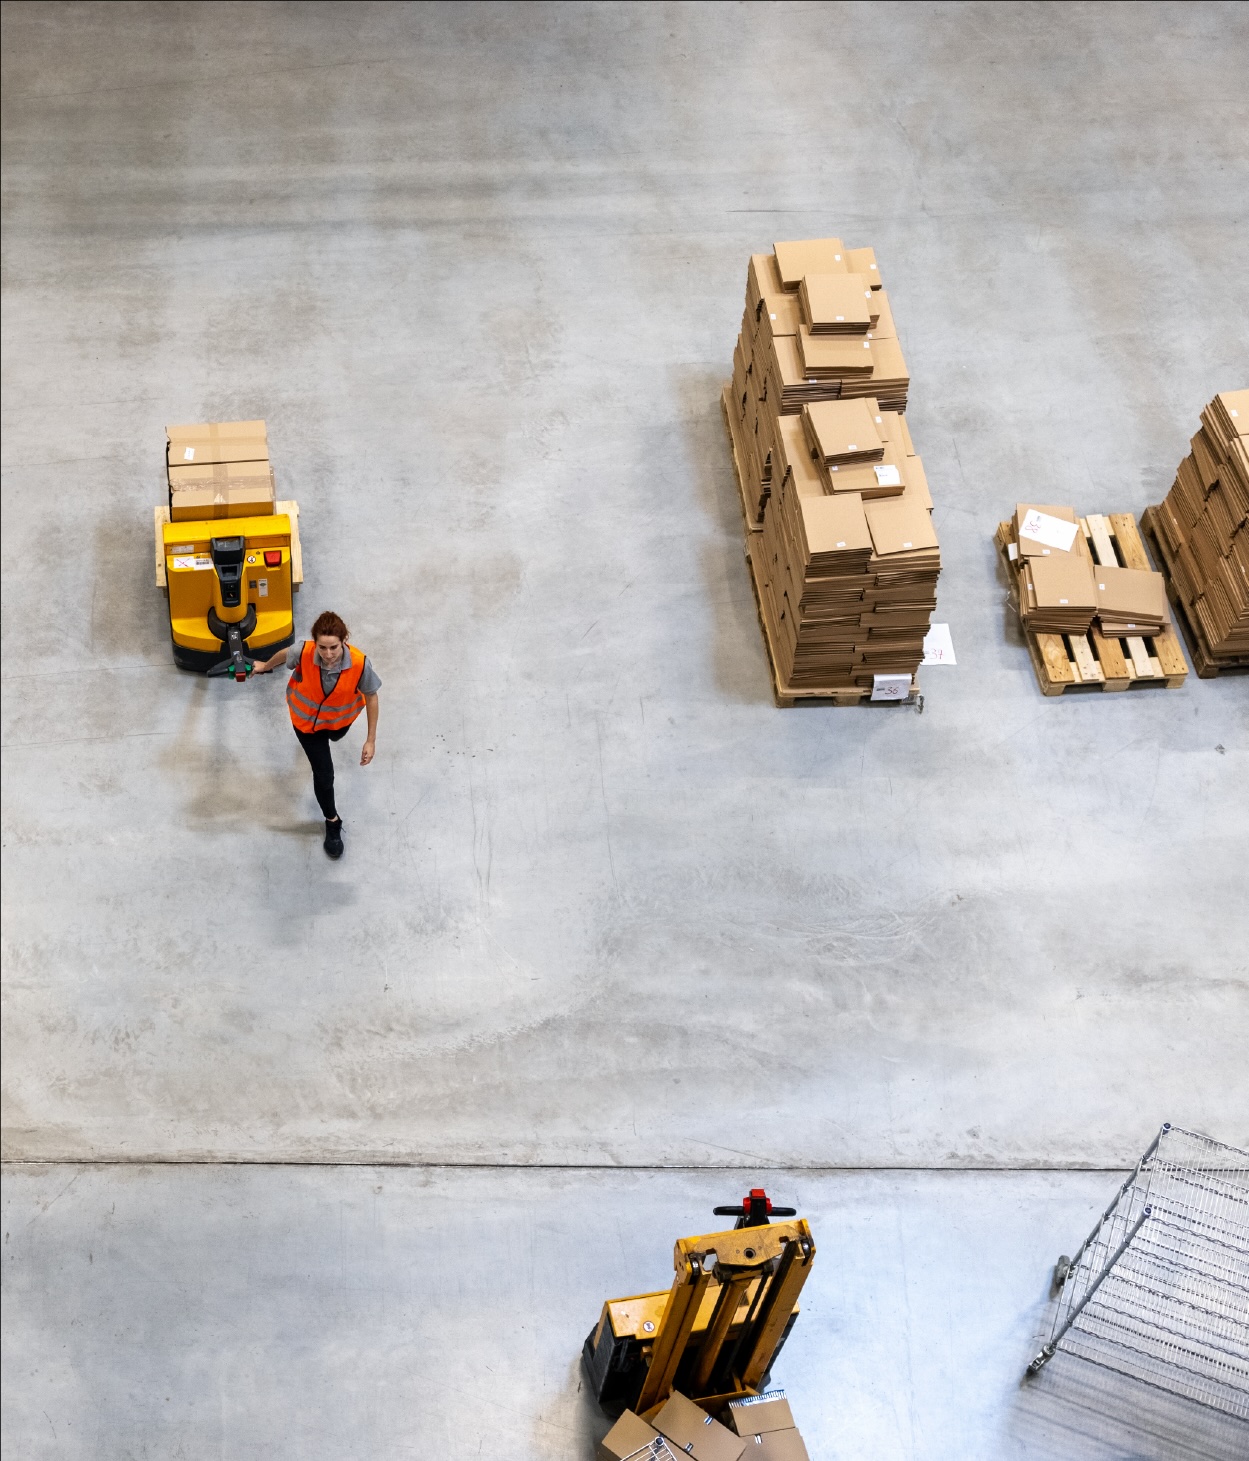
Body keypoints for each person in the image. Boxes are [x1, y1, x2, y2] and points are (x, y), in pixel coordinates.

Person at [253, 611, 380, 859]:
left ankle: (334, 735)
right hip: (306, 725)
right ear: (315, 643)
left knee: (336, 736)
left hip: (338, 723)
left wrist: (371, 740)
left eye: (334, 647)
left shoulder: (360, 664)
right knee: (324, 774)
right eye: (322, 647)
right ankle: (332, 821)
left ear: (344, 641)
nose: (328, 654)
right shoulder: (303, 651)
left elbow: (372, 696)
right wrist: (265, 666)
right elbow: (285, 654)